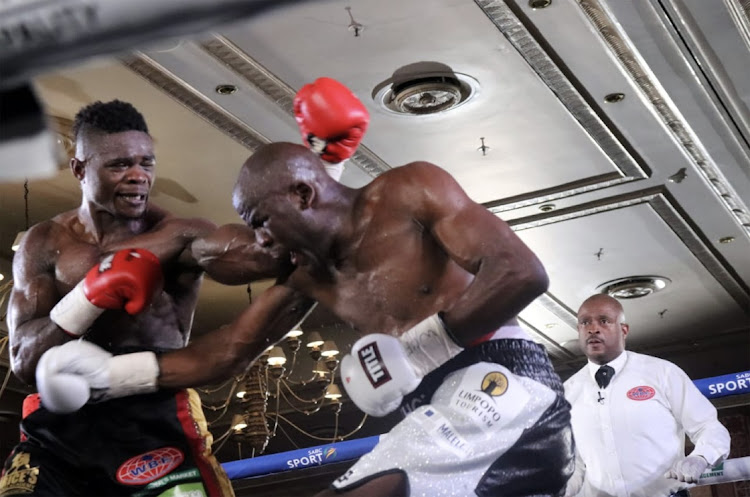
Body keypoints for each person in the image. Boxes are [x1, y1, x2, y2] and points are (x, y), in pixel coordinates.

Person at [39, 135, 576, 495]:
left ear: (302, 192)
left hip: (502, 381)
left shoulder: (409, 190)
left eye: (261, 220)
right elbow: (224, 353)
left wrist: (421, 348)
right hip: (432, 407)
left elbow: (521, 272)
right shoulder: (306, 273)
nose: (261, 240)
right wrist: (109, 378)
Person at [0, 99, 327, 497]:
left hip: (151, 421)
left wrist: (320, 209)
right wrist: (88, 297)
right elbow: (24, 360)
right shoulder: (44, 242)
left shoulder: (180, 235)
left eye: (146, 163)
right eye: (120, 164)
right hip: (56, 431)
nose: (138, 176)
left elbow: (263, 255)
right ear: (80, 169)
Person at [563, 294, 731, 497]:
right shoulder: (567, 392)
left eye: (604, 321)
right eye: (585, 322)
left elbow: (709, 427)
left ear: (623, 330)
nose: (593, 328)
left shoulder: (662, 373)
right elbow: (575, 464)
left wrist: (701, 458)